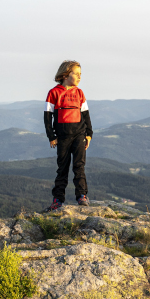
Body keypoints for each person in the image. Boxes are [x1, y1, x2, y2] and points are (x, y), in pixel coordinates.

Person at [44, 60, 93, 210]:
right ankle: (58, 199)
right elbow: (47, 117)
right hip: (62, 137)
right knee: (62, 168)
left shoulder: (79, 93)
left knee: (79, 166)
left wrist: (89, 134)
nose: (79, 77)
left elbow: (86, 115)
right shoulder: (54, 93)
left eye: (80, 74)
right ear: (65, 75)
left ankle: (82, 196)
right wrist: (51, 136)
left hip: (79, 135)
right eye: (76, 74)